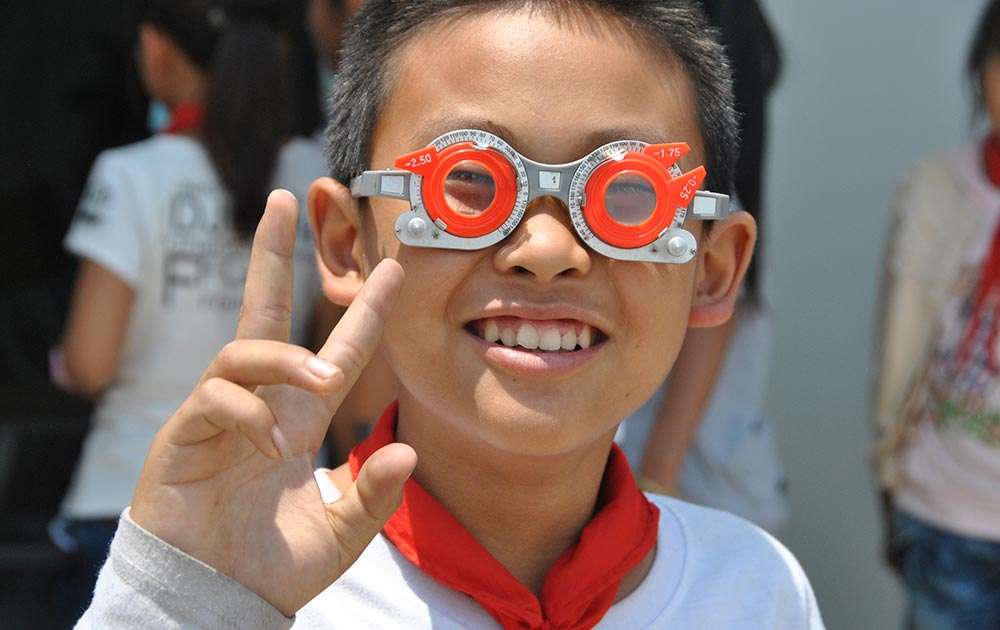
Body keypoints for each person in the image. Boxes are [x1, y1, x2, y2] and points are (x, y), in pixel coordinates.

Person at [78, 1, 823, 627]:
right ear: (347, 242)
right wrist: (180, 604)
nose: (545, 247)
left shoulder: (757, 591)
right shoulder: (250, 574)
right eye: (470, 181)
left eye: (625, 191)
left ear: (712, 269)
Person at [52, 0, 326, 617]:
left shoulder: (130, 174)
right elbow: (339, 368)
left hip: (130, 497)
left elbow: (90, 363)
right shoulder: (313, 176)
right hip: (284, 512)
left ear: (156, 49)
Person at [615, 0, 789, 533]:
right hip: (711, 469)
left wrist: (658, 477)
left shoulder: (687, 191)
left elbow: (713, 322)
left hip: (679, 483)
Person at [875, 2, 1000, 626]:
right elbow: (898, 342)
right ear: (979, 71)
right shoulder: (937, 187)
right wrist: (889, 472)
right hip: (945, 511)